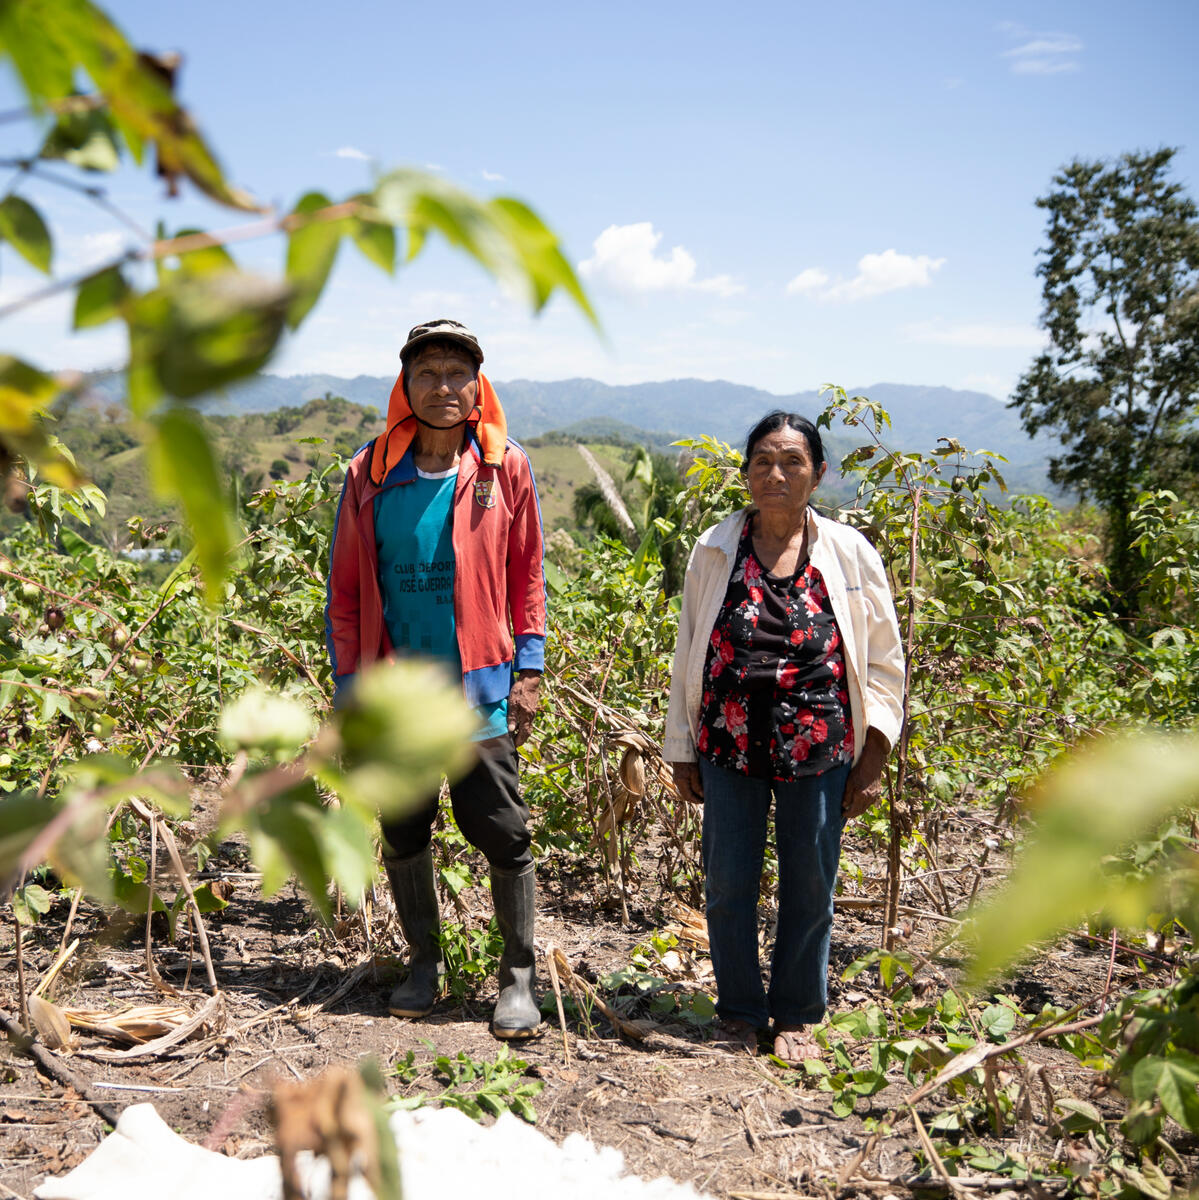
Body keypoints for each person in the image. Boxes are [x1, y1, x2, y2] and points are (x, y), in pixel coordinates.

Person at [325, 318, 546, 1040]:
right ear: (406, 385)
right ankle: (424, 966)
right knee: (404, 826)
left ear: (476, 385)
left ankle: (517, 979)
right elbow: (348, 591)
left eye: (458, 373)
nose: (444, 386)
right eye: (428, 373)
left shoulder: (502, 466)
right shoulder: (370, 474)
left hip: (480, 688)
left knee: (502, 830)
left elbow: (527, 573)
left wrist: (531, 666)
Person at [664, 411, 904, 1064]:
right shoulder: (715, 548)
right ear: (745, 474)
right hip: (728, 745)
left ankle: (798, 1014)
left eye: (793, 461)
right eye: (763, 461)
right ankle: (739, 1014)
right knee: (727, 884)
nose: (776, 473)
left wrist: (874, 754)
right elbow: (690, 647)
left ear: (818, 474)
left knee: (809, 886)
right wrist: (680, 746)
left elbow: (882, 657)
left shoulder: (849, 553)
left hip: (818, 746)